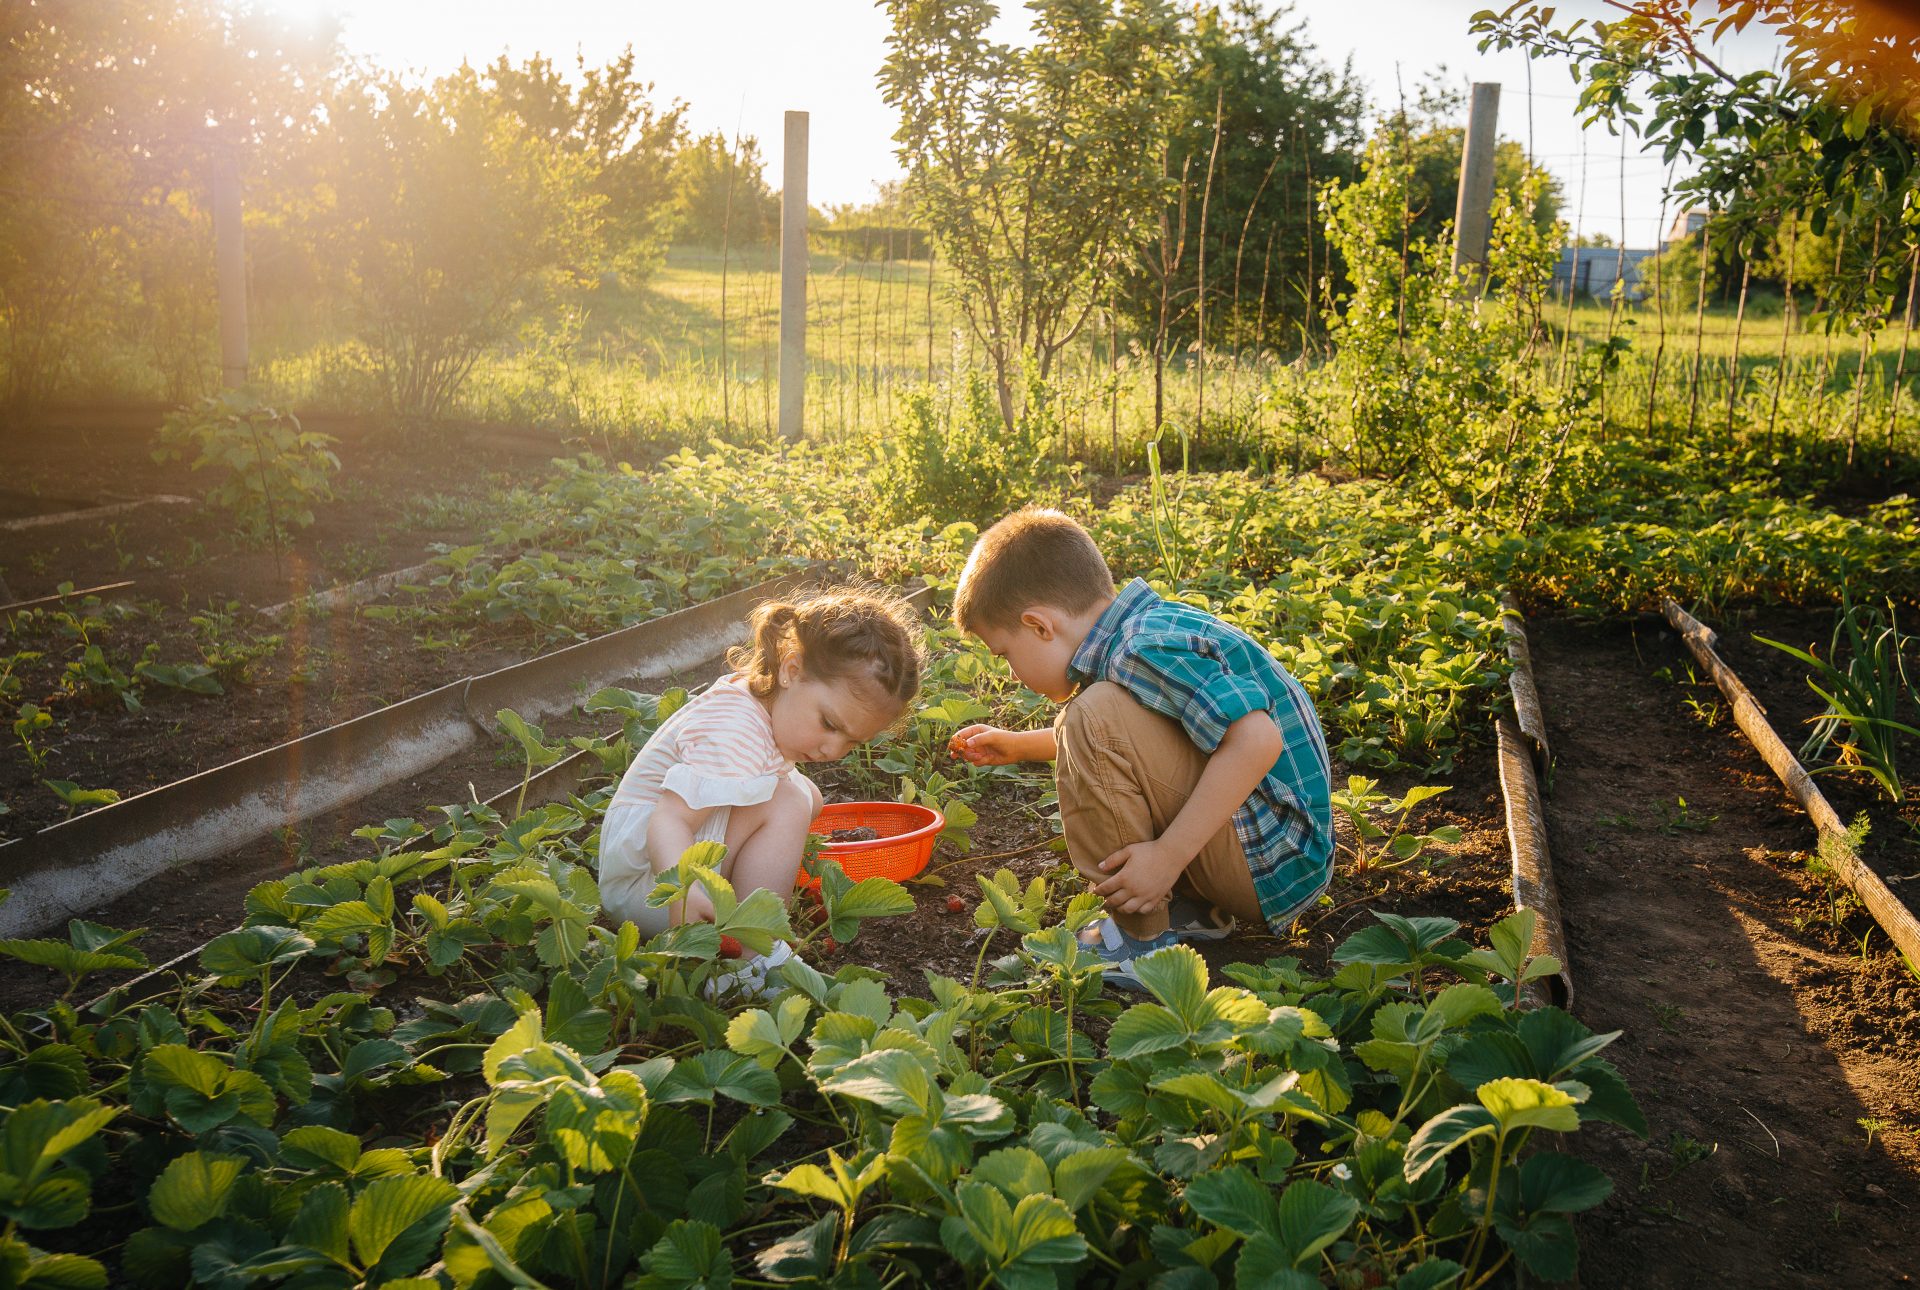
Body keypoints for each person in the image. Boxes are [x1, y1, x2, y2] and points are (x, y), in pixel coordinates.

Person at [947, 507, 1333, 989]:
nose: (1010, 673)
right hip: (1275, 848)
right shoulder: (1142, 632)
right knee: (1092, 713)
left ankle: (1141, 942)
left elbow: (1257, 740)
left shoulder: (1139, 647)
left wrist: (1168, 856)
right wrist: (1022, 746)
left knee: (1090, 713)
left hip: (1271, 857)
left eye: (1005, 654)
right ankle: (1195, 912)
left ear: (1040, 625)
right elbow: (1148, 744)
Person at [598, 586, 924, 977]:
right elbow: (669, 820)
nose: (833, 750)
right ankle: (752, 962)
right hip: (651, 887)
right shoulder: (734, 727)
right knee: (787, 801)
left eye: (854, 741)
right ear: (791, 670)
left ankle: (747, 922)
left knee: (807, 795)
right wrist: (684, 893)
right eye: (830, 725)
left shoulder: (764, 704)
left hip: (661, 871)